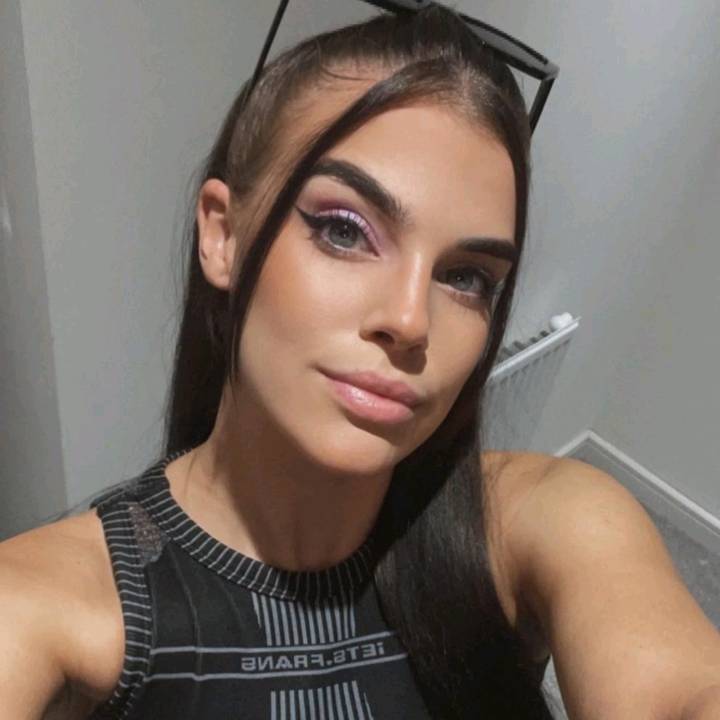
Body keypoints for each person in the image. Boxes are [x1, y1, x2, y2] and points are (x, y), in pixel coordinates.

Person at [4, 4, 719, 720]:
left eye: (466, 277)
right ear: (223, 235)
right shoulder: (45, 606)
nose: (410, 321)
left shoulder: (540, 520)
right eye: (345, 231)